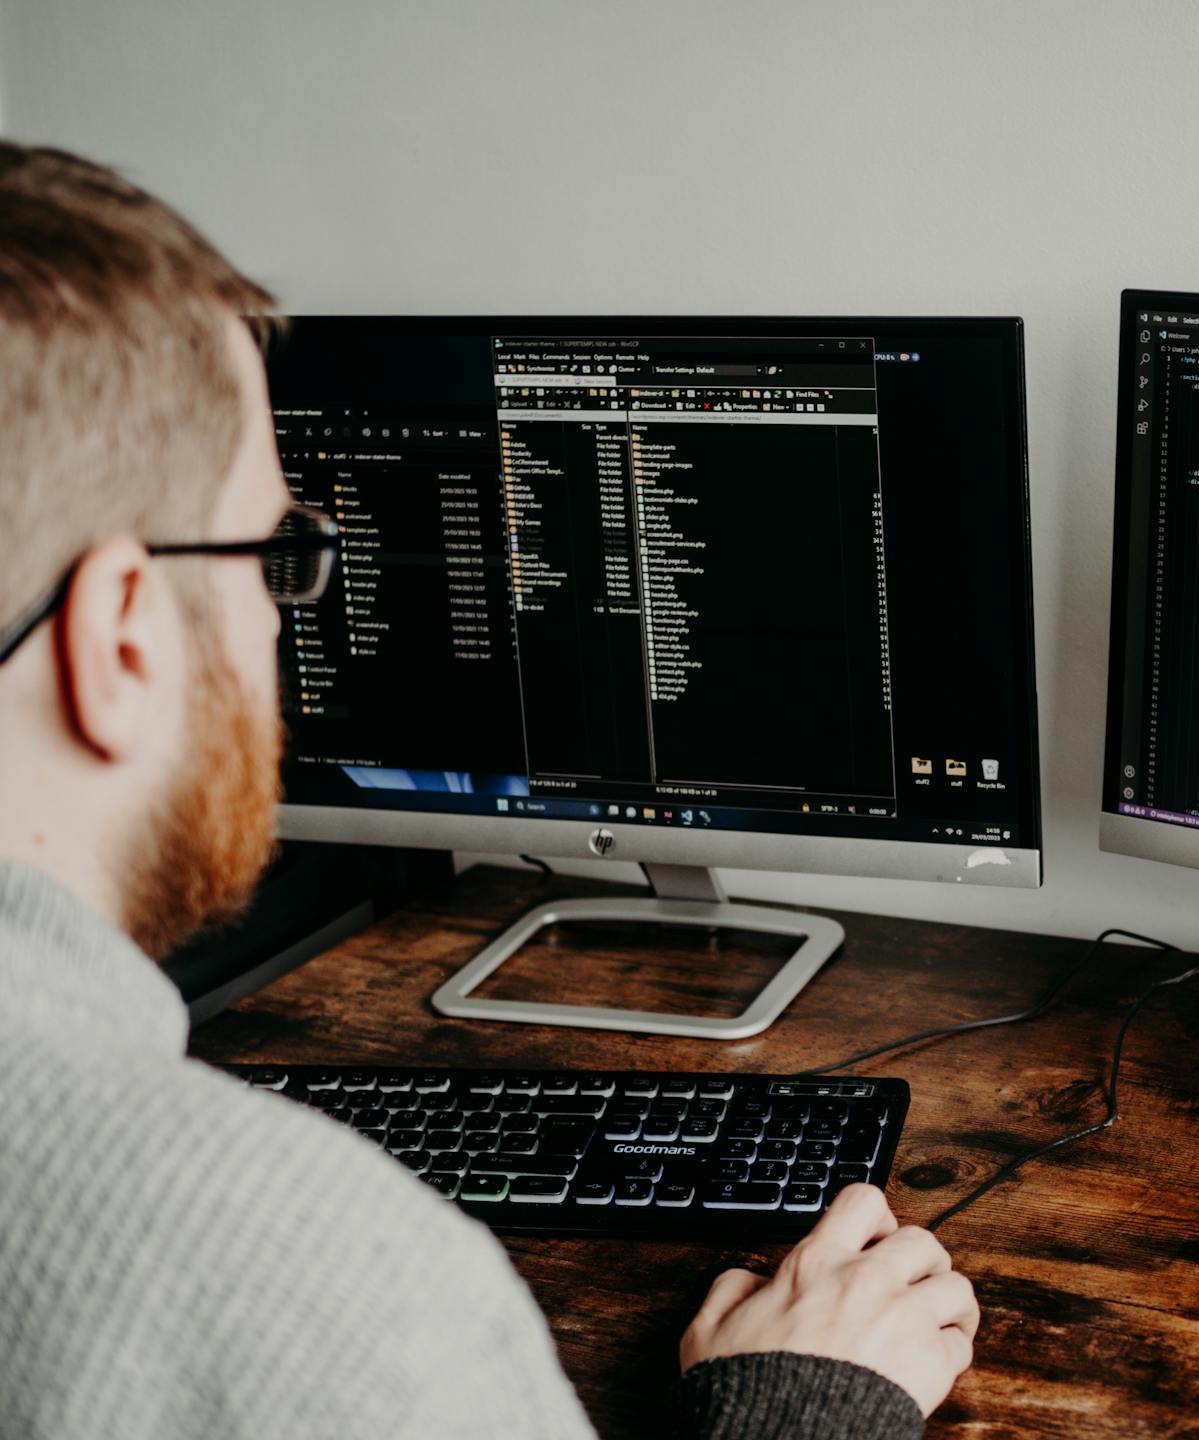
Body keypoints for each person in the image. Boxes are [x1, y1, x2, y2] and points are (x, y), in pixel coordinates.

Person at [0, 141, 977, 1440]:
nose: (287, 619)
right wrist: (802, 1401)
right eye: (277, 552)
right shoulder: (321, 1283)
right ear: (123, 631)